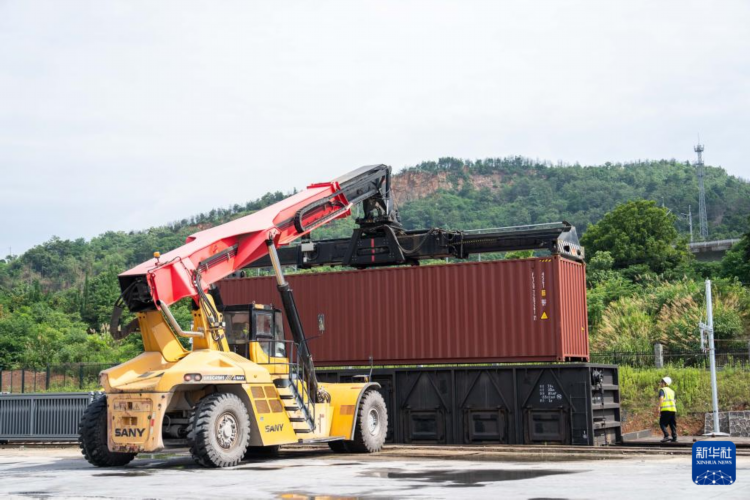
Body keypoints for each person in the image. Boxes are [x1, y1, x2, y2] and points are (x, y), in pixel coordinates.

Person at [658, 376, 677, 443]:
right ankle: (674, 437)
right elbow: (674, 400)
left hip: (666, 409)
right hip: (673, 409)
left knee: (662, 423)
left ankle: (666, 436)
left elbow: (661, 398)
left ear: (665, 383)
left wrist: (659, 407)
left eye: (662, 382)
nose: (660, 383)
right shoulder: (672, 391)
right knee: (672, 424)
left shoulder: (662, 390)